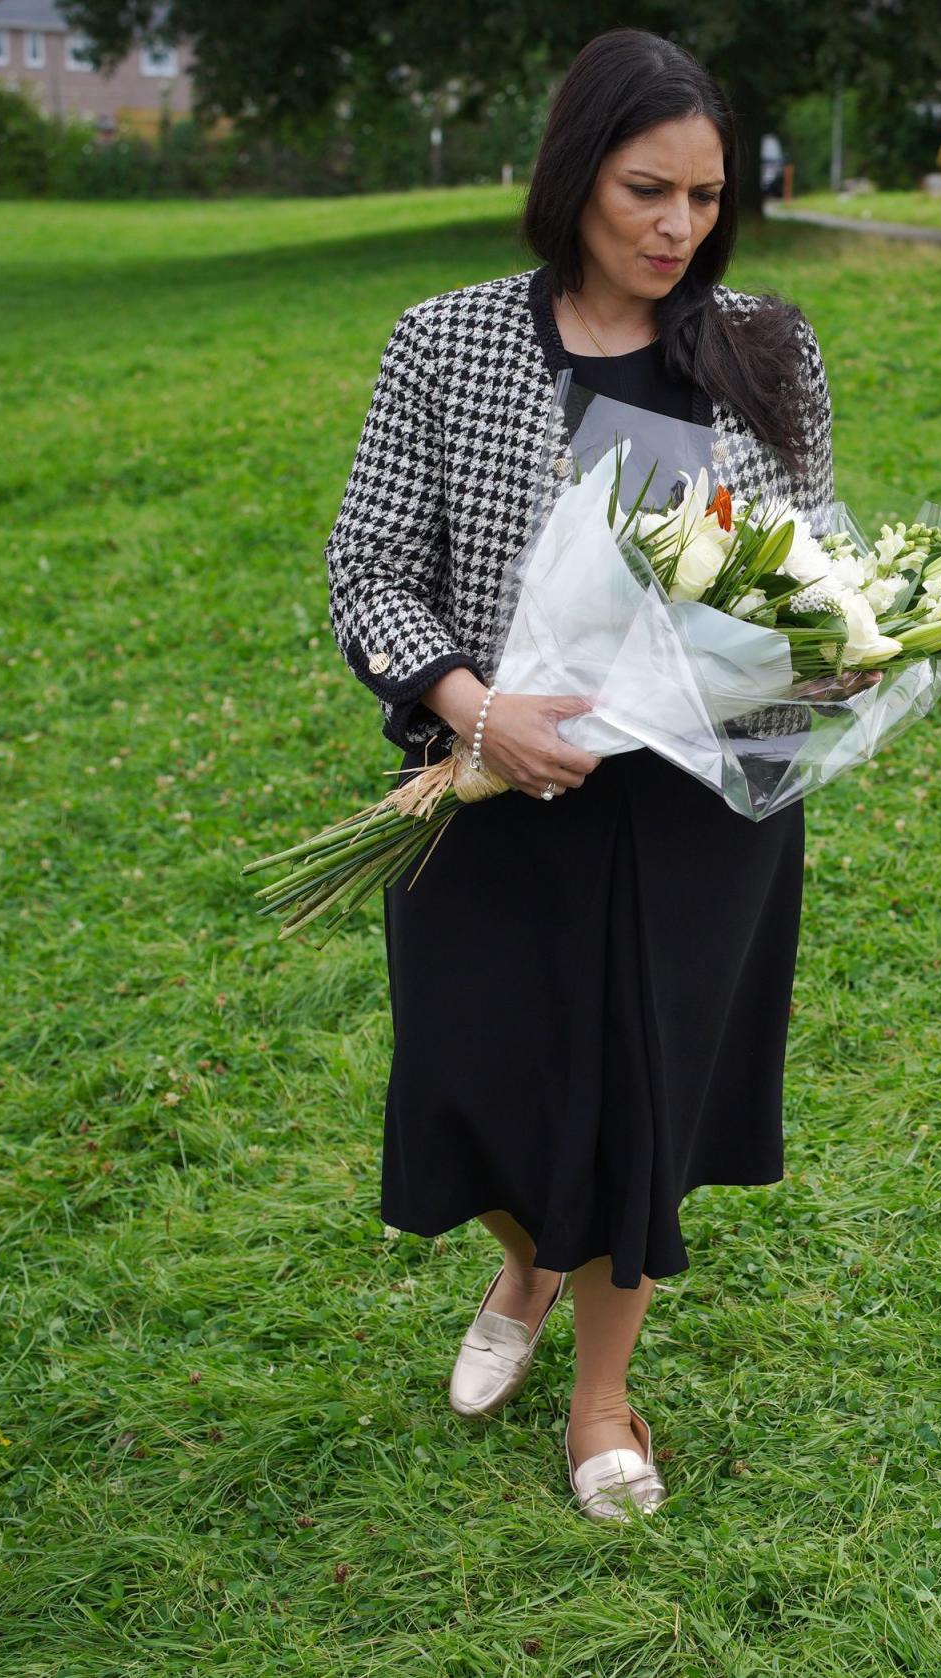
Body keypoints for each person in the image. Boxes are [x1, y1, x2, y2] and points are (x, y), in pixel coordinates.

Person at [321, 28, 833, 1522]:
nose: (676, 228)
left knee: (641, 1104)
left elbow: (800, 564)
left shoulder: (765, 342)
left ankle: (601, 1393)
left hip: (696, 808)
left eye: (703, 197)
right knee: (463, 1079)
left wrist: (836, 650)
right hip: (497, 788)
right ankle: (527, 1251)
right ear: (575, 180)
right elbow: (370, 573)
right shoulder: (447, 340)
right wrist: (476, 711)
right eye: (643, 191)